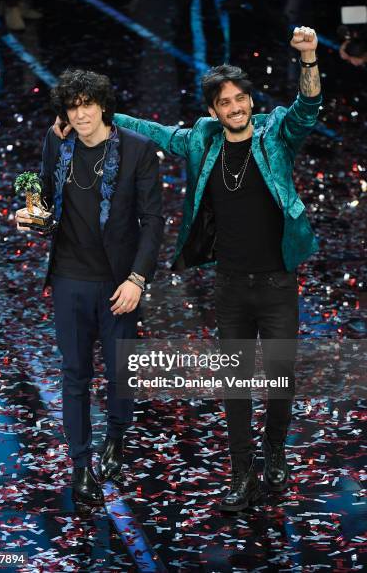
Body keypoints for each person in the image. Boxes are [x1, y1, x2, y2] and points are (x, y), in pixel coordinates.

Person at [53, 27, 322, 512]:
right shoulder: (203, 138)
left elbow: (307, 111)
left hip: (279, 280)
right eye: (225, 102)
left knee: (280, 377)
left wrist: (308, 61)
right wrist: (95, 119)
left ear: (250, 102)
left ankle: (275, 450)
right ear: (213, 110)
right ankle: (243, 474)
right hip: (231, 285)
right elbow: (156, 134)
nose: (236, 108)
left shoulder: (275, 131)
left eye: (241, 99)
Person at [16, 69, 164, 505]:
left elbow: (153, 221)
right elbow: (44, 197)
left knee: (120, 373)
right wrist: (30, 217)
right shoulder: (56, 144)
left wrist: (137, 279)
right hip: (69, 279)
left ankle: (115, 439)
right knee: (74, 374)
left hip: (119, 282)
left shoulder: (137, 150)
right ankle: (81, 467)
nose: (80, 114)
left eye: (87, 104)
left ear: (102, 105)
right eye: (72, 106)